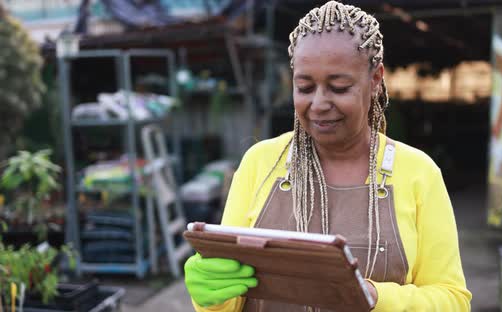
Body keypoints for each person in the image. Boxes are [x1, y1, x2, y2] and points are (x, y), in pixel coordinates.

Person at [184, 2, 472, 311]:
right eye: (305, 87)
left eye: (339, 87)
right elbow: (230, 299)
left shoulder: (417, 173)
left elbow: (453, 300)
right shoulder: (261, 163)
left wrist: (374, 297)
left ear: (375, 80)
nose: (319, 103)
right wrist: (212, 297)